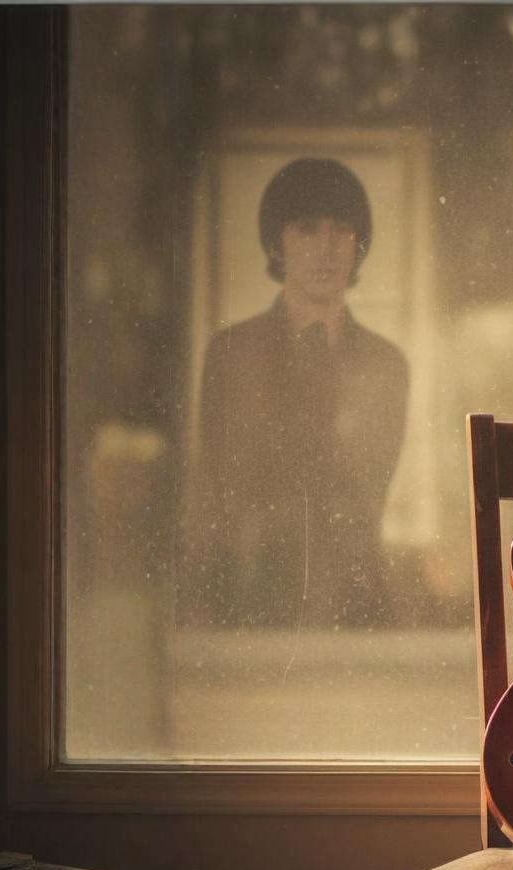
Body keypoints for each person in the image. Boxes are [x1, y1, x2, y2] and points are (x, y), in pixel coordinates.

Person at [180, 158, 409, 628]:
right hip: (246, 595)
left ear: (358, 245)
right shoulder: (232, 354)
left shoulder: (386, 364)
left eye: (341, 230)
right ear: (276, 243)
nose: (325, 249)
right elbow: (217, 485)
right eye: (306, 230)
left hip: (353, 601)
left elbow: (367, 495)